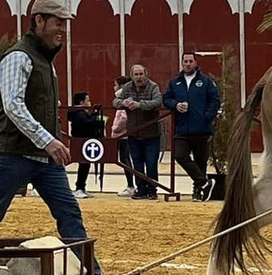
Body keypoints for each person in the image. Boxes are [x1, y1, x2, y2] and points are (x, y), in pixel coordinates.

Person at [0, 0, 127, 275]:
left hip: (44, 157)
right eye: (57, 22)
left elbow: (42, 107)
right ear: (38, 21)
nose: (62, 29)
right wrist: (47, 139)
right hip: (14, 154)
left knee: (69, 213)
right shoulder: (18, 57)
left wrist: (56, 133)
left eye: (64, 24)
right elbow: (13, 106)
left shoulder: (46, 62)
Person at [164, 52, 222, 200]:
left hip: (201, 128)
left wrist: (207, 117)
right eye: (185, 61)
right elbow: (166, 99)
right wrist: (176, 105)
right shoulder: (175, 82)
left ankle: (198, 192)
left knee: (200, 161)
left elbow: (215, 100)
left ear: (195, 63)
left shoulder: (206, 81)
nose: (188, 64)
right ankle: (204, 183)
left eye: (190, 61)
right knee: (180, 155)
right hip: (182, 128)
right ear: (182, 63)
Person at [114, 63, 163, 199]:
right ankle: (141, 190)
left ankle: (152, 190)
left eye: (141, 74)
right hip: (133, 133)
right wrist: (123, 103)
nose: (139, 77)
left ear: (146, 74)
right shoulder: (127, 88)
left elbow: (158, 102)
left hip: (151, 134)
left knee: (151, 163)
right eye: (136, 74)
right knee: (137, 163)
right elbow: (115, 101)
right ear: (132, 76)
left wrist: (140, 105)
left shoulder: (153, 86)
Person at [67, 92, 105, 198]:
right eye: (88, 100)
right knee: (83, 164)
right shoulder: (79, 113)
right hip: (81, 141)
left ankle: (81, 187)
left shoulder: (79, 112)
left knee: (85, 164)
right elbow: (86, 124)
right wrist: (96, 117)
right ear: (81, 102)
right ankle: (79, 188)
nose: (90, 102)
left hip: (83, 141)